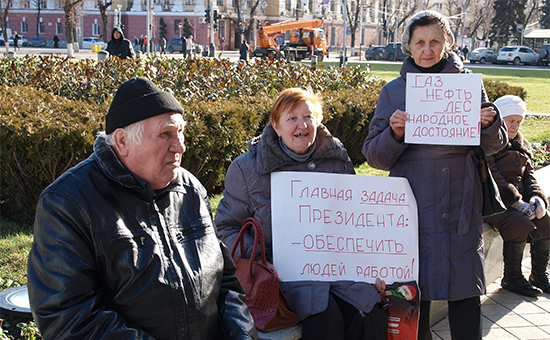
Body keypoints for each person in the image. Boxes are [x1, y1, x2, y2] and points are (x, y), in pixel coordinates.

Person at [27, 77, 258, 340]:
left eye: (181, 131)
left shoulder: (190, 189)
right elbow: (68, 319)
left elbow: (225, 282)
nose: (180, 146)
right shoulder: (68, 202)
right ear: (122, 141)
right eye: (165, 134)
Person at [361, 10, 508, 340]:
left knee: (466, 297)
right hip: (410, 211)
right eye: (420, 43)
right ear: (408, 47)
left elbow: (495, 145)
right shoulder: (393, 92)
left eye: (435, 42)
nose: (427, 50)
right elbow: (374, 156)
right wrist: (394, 134)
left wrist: (490, 122)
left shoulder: (469, 86)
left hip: (460, 206)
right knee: (411, 300)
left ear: (447, 44)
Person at [215, 88, 389, 340]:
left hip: (337, 266)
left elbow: (355, 219)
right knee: (325, 321)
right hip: (284, 275)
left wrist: (371, 265)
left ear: (317, 121)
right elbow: (227, 227)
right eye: (292, 118)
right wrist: (261, 260)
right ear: (276, 126)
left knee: (370, 312)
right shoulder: (247, 168)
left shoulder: (336, 157)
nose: (302, 125)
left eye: (308, 117)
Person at [484, 95, 550, 297]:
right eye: (510, 120)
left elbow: (529, 177)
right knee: (518, 223)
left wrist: (537, 198)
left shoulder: (522, 144)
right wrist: (516, 202)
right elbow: (492, 177)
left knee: (546, 221)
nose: (514, 126)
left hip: (517, 201)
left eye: (519, 122)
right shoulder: (488, 143)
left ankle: (538, 274)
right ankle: (511, 278)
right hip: (492, 201)